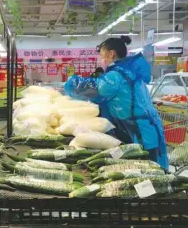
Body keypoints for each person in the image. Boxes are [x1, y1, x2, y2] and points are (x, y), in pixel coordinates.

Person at [64, 36, 168, 170]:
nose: (101, 60)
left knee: (148, 173)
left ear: (111, 54)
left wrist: (71, 83)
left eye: (102, 56)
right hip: (146, 130)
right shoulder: (130, 72)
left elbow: (93, 89)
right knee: (149, 171)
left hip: (140, 134)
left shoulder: (116, 76)